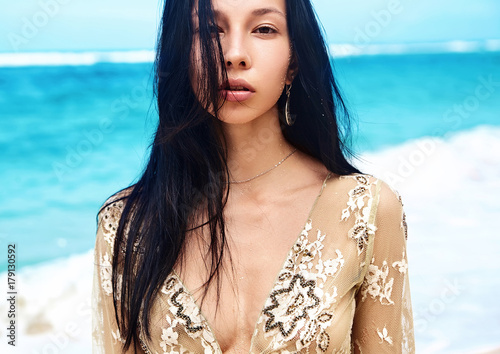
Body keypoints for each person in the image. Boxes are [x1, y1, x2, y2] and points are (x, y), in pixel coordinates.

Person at [92, 0, 415, 352]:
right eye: (210, 29)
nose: (234, 54)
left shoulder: (365, 210)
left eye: (264, 29)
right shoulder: (126, 222)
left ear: (295, 61)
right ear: (181, 53)